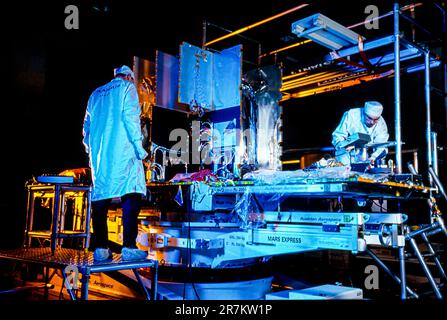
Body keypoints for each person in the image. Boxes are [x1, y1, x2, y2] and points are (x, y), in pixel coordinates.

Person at [83, 65, 149, 261]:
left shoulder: (95, 94)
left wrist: (91, 150)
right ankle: (128, 246)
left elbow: (86, 128)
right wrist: (139, 148)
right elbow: (131, 119)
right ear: (129, 77)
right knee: (132, 194)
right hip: (124, 151)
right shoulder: (127, 89)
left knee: (101, 197)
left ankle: (101, 248)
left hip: (101, 156)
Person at [332, 101, 389, 166]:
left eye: (376, 119)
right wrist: (344, 145)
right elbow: (338, 135)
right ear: (364, 113)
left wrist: (373, 157)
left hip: (366, 155)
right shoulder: (351, 115)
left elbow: (381, 144)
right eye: (369, 118)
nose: (372, 122)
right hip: (347, 154)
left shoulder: (381, 123)